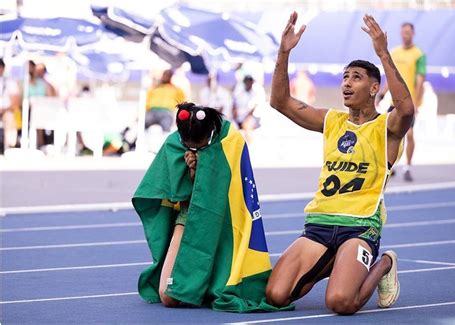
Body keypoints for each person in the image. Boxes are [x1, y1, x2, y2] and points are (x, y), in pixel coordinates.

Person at [266, 12, 414, 315]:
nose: (347, 83)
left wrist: (383, 53)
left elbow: (407, 108)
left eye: (356, 78)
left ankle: (384, 263)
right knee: (276, 295)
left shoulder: (387, 128)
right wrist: (284, 52)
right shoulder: (330, 120)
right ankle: (334, 260)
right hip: (319, 225)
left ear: (374, 88)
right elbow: (280, 101)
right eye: (345, 77)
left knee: (341, 303)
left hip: (360, 228)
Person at [132, 102, 290, 312]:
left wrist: (203, 169)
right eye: (187, 144)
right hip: (188, 218)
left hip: (224, 221)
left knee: (215, 284)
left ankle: (203, 284)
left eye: (199, 145)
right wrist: (191, 173)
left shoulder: (231, 142)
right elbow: (175, 193)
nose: (192, 148)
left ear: (209, 134)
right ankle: (195, 284)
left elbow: (233, 191)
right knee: (168, 296)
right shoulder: (174, 143)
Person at [377, 22, 426, 181]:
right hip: (394, 102)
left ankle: (407, 167)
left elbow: (420, 81)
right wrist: (382, 94)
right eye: (403, 32)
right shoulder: (395, 52)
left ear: (413, 33)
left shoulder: (419, 54)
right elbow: (390, 77)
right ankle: (390, 166)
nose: (405, 35)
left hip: (409, 103)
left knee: (409, 134)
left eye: (408, 32)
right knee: (388, 133)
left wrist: (417, 103)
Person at [232, 75, 265, 142]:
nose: (248, 83)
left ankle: (249, 146)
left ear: (252, 82)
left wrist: (245, 119)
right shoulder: (239, 92)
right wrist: (234, 114)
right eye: (246, 82)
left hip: (250, 118)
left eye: (250, 82)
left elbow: (253, 109)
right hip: (238, 118)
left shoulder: (256, 93)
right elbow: (234, 104)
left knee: (247, 126)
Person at [0, 58, 21, 153]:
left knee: (9, 117)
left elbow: (16, 103)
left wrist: (4, 110)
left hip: (7, 111)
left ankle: (10, 147)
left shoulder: (10, 82)